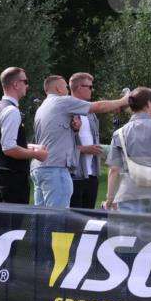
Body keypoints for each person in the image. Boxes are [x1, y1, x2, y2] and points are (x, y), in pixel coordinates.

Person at [31, 76, 128, 208]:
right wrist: (123, 101)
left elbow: (53, 137)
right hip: (55, 169)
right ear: (59, 88)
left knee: (41, 216)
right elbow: (99, 106)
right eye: (66, 87)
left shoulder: (43, 107)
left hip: (41, 168)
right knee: (57, 216)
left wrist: (75, 130)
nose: (68, 90)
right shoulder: (62, 102)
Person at [102, 89, 151, 214]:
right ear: (148, 103)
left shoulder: (119, 133)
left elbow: (114, 170)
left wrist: (110, 199)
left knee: (131, 227)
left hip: (129, 193)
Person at [0, 67, 47, 203]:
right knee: (13, 217)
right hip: (12, 179)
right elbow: (9, 148)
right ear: (16, 84)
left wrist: (30, 146)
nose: (27, 85)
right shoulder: (11, 111)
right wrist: (36, 154)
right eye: (25, 81)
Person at [67, 73, 103, 209]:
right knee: (73, 217)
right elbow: (60, 145)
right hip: (74, 174)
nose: (92, 90)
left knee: (88, 216)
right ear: (78, 87)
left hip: (92, 174)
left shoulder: (91, 113)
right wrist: (84, 149)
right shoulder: (66, 111)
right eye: (90, 87)